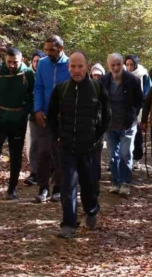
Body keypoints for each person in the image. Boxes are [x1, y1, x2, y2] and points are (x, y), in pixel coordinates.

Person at [47, 51, 111, 239]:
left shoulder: (97, 88)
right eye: (73, 66)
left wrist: (96, 137)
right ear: (68, 68)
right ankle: (69, 223)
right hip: (65, 146)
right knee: (67, 185)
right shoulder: (61, 89)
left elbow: (107, 116)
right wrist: (57, 137)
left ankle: (91, 210)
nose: (76, 70)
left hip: (89, 147)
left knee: (89, 184)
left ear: (86, 67)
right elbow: (50, 117)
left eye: (80, 66)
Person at [0, 47, 34, 202]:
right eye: (9, 62)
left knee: (15, 156)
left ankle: (12, 189)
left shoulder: (28, 74)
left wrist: (24, 112)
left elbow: (33, 96)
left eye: (15, 62)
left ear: (22, 60)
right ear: (5, 59)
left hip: (18, 121)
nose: (12, 65)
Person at [100, 53, 144, 196]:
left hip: (127, 124)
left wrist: (133, 113)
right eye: (113, 65)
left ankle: (125, 182)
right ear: (108, 65)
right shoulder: (103, 81)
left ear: (122, 64)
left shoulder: (133, 80)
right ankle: (115, 181)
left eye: (118, 64)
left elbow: (140, 100)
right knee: (113, 155)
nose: (116, 67)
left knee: (125, 153)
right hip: (110, 125)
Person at [33, 35, 70, 203]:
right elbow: (39, 87)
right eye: (46, 49)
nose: (48, 52)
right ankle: (43, 187)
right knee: (44, 151)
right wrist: (37, 109)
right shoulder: (42, 63)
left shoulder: (70, 65)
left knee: (60, 152)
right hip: (45, 115)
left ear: (60, 49)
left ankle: (58, 187)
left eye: (51, 50)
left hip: (64, 117)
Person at [125, 54, 151, 170]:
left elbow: (147, 93)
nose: (129, 67)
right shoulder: (123, 75)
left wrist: (143, 111)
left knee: (137, 136)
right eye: (127, 65)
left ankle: (136, 158)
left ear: (135, 64)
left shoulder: (143, 74)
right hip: (124, 110)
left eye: (131, 64)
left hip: (139, 110)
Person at [24, 50, 46, 187]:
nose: (37, 63)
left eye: (39, 61)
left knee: (48, 144)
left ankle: (49, 171)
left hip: (48, 113)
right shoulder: (27, 75)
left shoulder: (46, 73)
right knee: (33, 143)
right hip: (33, 114)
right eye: (35, 61)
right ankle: (34, 173)